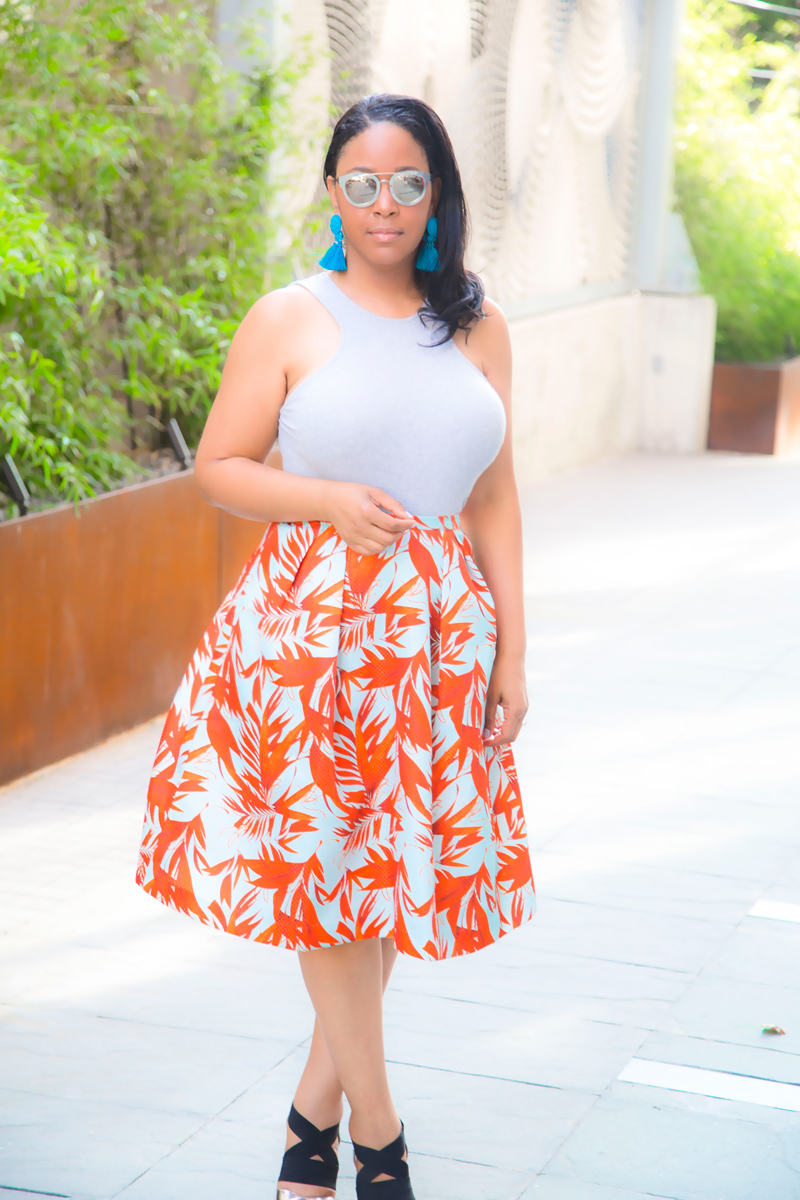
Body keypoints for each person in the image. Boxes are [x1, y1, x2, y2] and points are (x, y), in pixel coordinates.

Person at [136, 93, 535, 1200]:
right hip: (308, 637)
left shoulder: (477, 323)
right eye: (360, 184)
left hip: (439, 638)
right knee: (324, 879)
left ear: (438, 194)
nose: (384, 206)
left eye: (408, 183)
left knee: (390, 874)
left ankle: (308, 1125)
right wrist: (321, 499)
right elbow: (219, 467)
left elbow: (495, 496)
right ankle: (378, 1139)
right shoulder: (288, 316)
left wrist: (511, 647)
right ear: (330, 193)